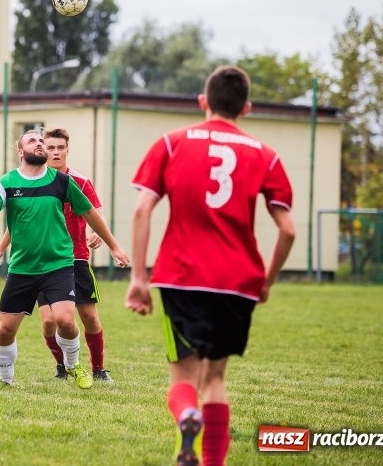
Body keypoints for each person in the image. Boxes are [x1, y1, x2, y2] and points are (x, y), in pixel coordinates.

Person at [125, 65, 296, 466]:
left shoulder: (170, 143)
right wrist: (267, 281)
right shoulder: (266, 155)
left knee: (184, 378)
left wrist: (138, 278)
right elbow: (288, 230)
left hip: (180, 277)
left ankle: (187, 414)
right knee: (215, 379)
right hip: (237, 281)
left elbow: (142, 210)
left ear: (203, 101)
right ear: (247, 108)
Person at [0, 130, 129, 391]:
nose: (39, 144)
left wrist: (114, 246)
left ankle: (73, 365)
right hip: (22, 269)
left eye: (40, 141)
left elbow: (90, 213)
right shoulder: (5, 184)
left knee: (65, 320)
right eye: (32, 141)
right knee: (5, 331)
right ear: (20, 151)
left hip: (59, 265)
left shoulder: (62, 182)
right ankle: (4, 378)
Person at [0, 127, 114, 382]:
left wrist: (100, 235)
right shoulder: (25, 181)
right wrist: (1, 248)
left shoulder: (78, 182)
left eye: (60, 148)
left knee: (87, 316)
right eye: (50, 147)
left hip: (75, 257)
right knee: (48, 323)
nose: (55, 152)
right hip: (39, 263)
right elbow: (20, 221)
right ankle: (62, 365)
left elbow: (94, 213)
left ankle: (98, 368)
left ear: (67, 151)